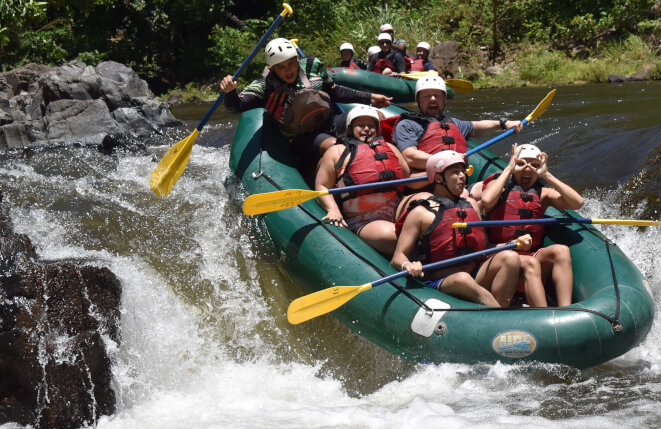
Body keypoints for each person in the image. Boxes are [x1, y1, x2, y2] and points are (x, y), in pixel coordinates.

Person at [220, 38, 392, 180]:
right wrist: (230, 92)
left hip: (330, 121)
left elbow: (333, 91)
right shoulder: (264, 86)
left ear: (297, 60)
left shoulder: (312, 66)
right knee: (332, 145)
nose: (288, 70)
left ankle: (385, 162)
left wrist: (369, 98)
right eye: (281, 67)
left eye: (291, 63)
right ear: (272, 69)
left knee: (375, 116)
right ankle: (349, 182)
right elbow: (236, 106)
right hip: (300, 137)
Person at [392, 150, 530, 307]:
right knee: (462, 279)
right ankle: (502, 318)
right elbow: (398, 256)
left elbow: (483, 249)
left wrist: (512, 244)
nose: (462, 176)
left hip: (474, 274)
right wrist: (408, 265)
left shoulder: (471, 205)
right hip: (441, 281)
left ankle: (498, 309)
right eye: (455, 172)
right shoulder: (421, 213)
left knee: (510, 257)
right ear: (438, 178)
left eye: (462, 171)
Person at [478, 143, 584, 307]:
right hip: (497, 252)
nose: (527, 170)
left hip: (529, 256)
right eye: (521, 164)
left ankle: (566, 311)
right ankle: (545, 315)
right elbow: (486, 200)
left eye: (534, 165)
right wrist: (509, 169)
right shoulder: (500, 186)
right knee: (530, 263)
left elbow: (577, 203)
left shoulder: (542, 194)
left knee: (561, 251)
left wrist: (547, 175)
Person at [315, 105, 410, 255]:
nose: (366, 129)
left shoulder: (390, 148)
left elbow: (407, 176)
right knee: (394, 235)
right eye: (360, 125)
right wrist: (332, 208)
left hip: (396, 208)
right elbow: (321, 185)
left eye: (371, 126)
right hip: (364, 220)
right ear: (350, 128)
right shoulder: (337, 152)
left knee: (426, 202)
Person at [393, 75, 524, 171]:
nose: (433, 99)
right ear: (418, 100)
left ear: (444, 100)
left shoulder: (453, 123)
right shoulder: (407, 124)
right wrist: (448, 160)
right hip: (428, 181)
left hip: (458, 181)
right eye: (426, 96)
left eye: (437, 96)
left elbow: (477, 128)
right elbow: (410, 156)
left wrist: (503, 123)